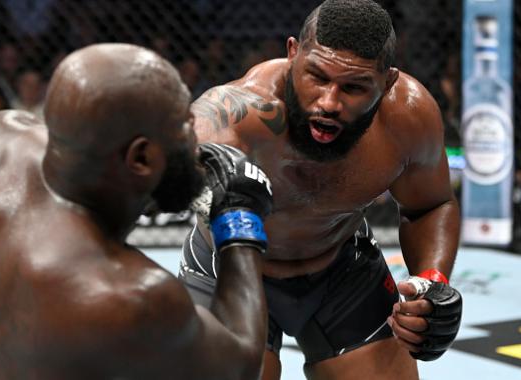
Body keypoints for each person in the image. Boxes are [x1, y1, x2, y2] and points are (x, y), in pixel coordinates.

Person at [0, 43, 273, 379]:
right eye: (184, 123)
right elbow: (240, 366)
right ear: (140, 158)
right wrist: (239, 217)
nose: (197, 137)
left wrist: (147, 191)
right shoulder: (128, 294)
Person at [178, 1, 463, 379]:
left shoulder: (407, 117)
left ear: (387, 82)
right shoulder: (242, 113)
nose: (329, 102)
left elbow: (430, 205)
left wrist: (432, 283)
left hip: (341, 267)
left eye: (353, 87)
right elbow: (194, 147)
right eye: (317, 77)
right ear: (293, 53)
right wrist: (209, 180)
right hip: (232, 267)